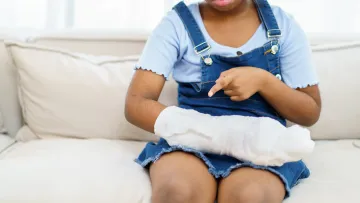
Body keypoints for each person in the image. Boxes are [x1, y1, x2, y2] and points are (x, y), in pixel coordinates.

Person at [125, 0, 321, 202]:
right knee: (178, 191)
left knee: (249, 195)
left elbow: (309, 112)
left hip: (262, 146)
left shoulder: (283, 26)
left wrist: (265, 82)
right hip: (189, 145)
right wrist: (215, 133)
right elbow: (136, 104)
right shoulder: (176, 24)